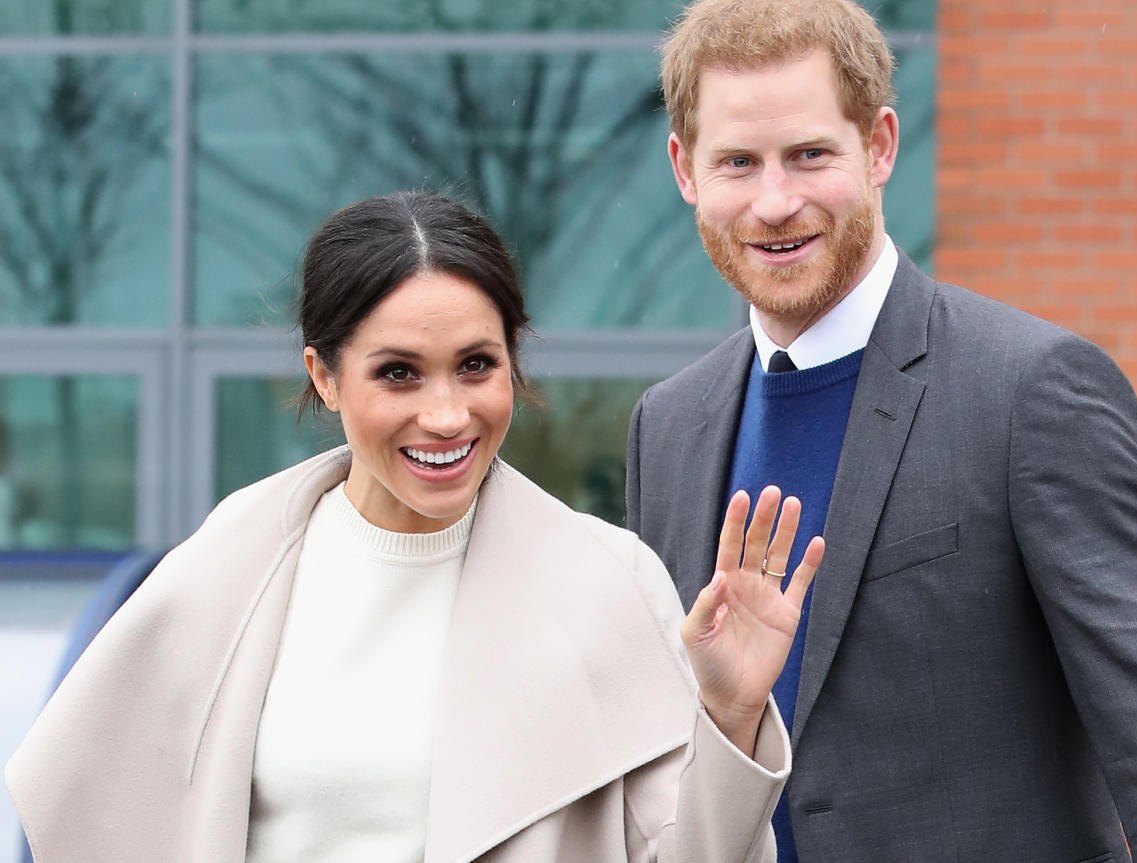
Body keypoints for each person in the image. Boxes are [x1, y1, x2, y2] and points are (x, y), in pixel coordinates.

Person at [6, 189, 824, 863]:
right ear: (323, 377)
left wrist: (731, 717)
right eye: (398, 372)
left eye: (477, 364)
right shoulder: (230, 564)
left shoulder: (610, 579)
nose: (446, 413)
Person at [625, 0, 1137, 863]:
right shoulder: (667, 427)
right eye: (737, 163)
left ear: (879, 147)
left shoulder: (1031, 389)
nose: (773, 202)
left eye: (809, 154)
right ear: (686, 170)